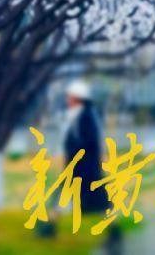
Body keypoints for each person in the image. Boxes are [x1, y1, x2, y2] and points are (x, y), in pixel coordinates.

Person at [63, 79, 109, 215]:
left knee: (97, 202)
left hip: (86, 168)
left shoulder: (86, 116)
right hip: (80, 167)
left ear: (77, 98)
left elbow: (88, 142)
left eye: (70, 97)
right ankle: (50, 226)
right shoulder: (80, 114)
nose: (68, 100)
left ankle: (49, 227)